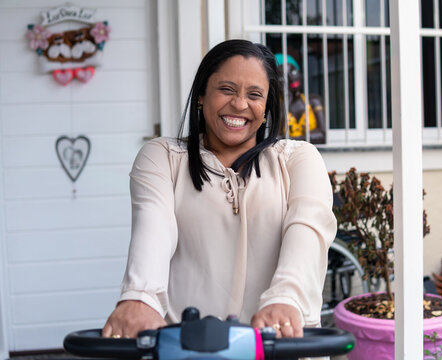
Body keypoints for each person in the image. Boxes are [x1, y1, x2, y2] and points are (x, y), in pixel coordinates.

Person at [102, 39, 336, 340]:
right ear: (201, 95)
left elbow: (307, 229)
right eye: (226, 89)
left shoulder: (297, 159)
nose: (239, 104)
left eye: (254, 95)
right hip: (186, 346)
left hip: (278, 343)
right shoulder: (163, 158)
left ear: (266, 109)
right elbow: (154, 226)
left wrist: (286, 298)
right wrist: (140, 297)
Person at [275, 53, 326, 144]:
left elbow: (322, 135)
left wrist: (290, 139)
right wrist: (285, 102)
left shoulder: (314, 101)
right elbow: (276, 138)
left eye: (294, 72)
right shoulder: (277, 106)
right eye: (284, 76)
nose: (291, 78)